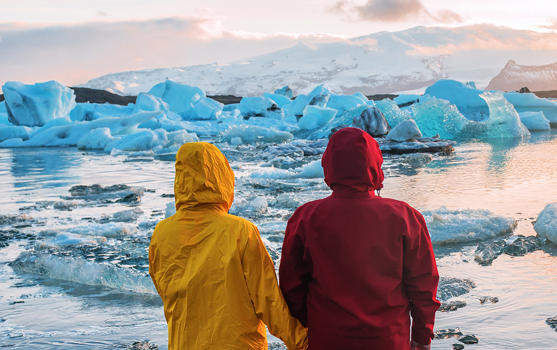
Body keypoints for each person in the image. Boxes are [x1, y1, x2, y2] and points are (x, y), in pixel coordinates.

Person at [279, 127, 441, 350]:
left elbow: (292, 286)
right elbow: (424, 286)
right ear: (375, 164)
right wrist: (422, 337)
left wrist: (309, 325)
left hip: (327, 338)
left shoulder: (305, 218)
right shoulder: (405, 216)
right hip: (389, 340)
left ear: (329, 164)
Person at [149, 142, 308, 350]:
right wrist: (302, 343)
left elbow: (165, 288)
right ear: (222, 177)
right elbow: (268, 300)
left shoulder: (161, 233)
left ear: (180, 178)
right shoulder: (240, 231)